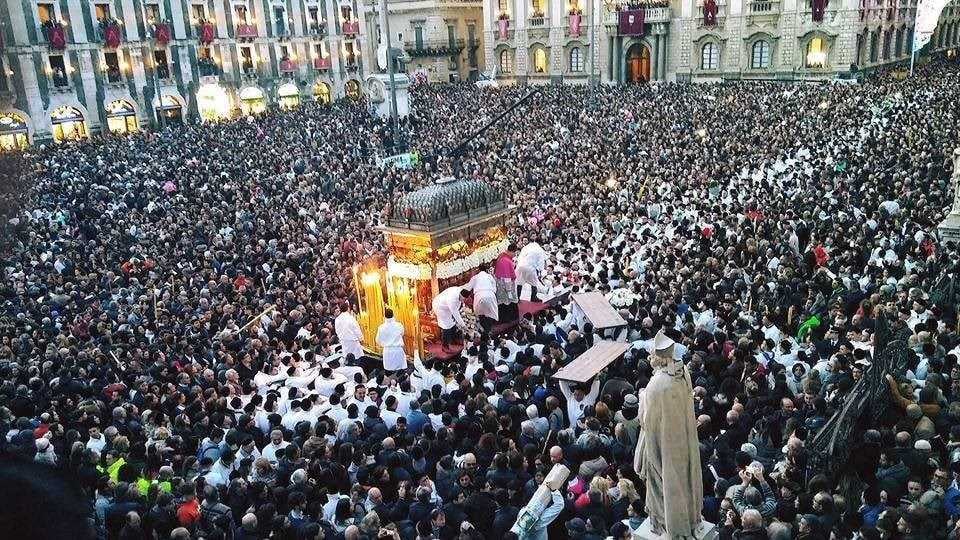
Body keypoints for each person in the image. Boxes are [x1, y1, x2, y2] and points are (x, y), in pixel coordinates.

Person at [431, 286, 470, 351]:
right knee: (447, 326)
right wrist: (464, 326)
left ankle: (453, 340)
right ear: (460, 295)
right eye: (463, 299)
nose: (463, 301)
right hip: (440, 307)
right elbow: (456, 314)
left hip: (447, 307)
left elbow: (459, 305)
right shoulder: (452, 299)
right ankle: (445, 346)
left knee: (453, 323)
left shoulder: (460, 291)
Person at [464, 268, 499, 332]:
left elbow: (468, 288)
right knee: (490, 312)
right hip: (490, 294)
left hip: (479, 296)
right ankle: (489, 328)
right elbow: (494, 286)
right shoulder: (490, 276)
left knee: (481, 313)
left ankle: (484, 329)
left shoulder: (475, 277)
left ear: (478, 271)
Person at [376, 307, 407, 373]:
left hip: (388, 352)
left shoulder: (381, 327)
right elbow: (402, 333)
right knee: (401, 372)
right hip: (398, 350)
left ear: (384, 316)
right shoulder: (399, 325)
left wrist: (384, 344)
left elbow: (377, 340)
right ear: (393, 315)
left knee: (389, 372)